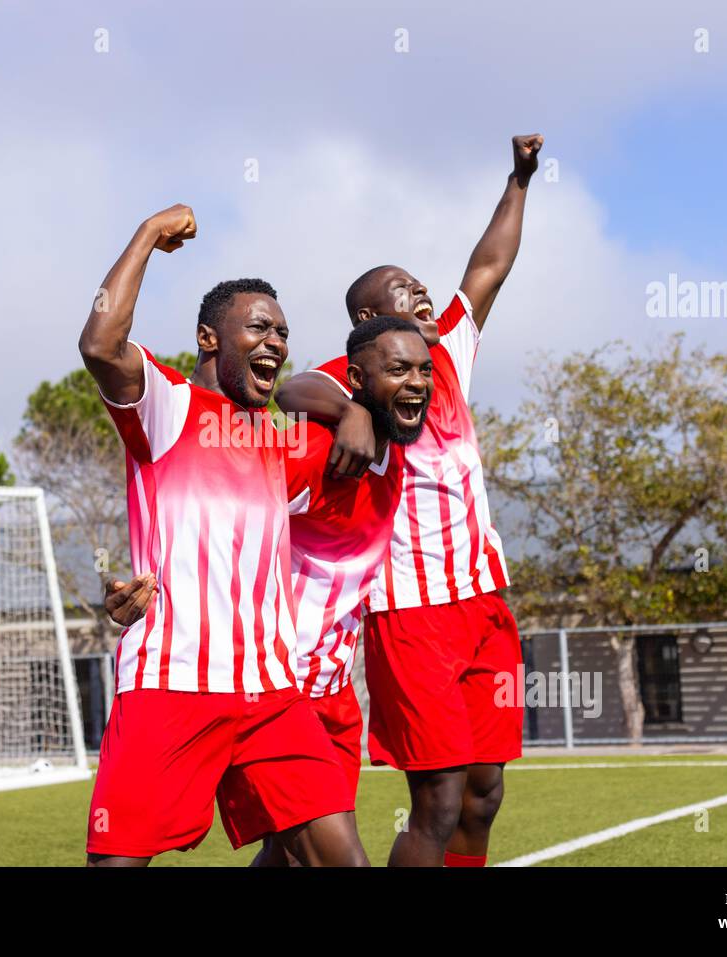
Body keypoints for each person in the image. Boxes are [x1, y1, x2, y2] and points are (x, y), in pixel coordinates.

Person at [274, 134, 543, 867]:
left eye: (422, 287)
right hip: (409, 615)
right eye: (404, 293)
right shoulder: (358, 373)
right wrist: (349, 411)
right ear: (366, 322)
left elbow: (490, 264)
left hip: (484, 602)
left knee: (486, 793)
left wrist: (519, 180)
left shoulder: (445, 352)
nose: (423, 297)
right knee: (441, 798)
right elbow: (290, 385)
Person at [79, 202, 367, 867]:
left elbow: (342, 389)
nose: (277, 341)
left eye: (284, 332)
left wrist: (353, 409)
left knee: (342, 860)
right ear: (210, 337)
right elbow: (99, 344)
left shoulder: (278, 444)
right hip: (171, 684)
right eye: (259, 326)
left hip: (271, 692)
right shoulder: (169, 405)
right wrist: (148, 235)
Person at [108, 315, 434, 866]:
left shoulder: (394, 459)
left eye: (425, 371)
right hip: (269, 684)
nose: (418, 384)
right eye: (399, 370)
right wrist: (144, 590)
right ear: (355, 380)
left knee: (296, 854)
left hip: (328, 688)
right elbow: (209, 505)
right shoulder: (313, 450)